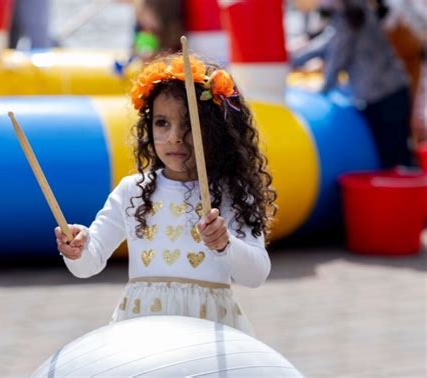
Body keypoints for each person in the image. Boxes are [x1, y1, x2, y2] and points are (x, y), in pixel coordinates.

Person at [55, 53, 277, 335]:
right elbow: (89, 264)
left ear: (215, 131)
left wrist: (225, 244)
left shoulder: (233, 193)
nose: (174, 137)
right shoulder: (132, 190)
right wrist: (77, 249)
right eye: (162, 123)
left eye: (188, 124)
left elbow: (256, 275)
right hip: (143, 331)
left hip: (209, 332)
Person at [291, 0, 413, 169]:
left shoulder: (353, 14)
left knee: (394, 157)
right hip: (387, 92)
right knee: (390, 154)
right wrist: (294, 58)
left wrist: (323, 89)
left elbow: (339, 55)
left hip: (384, 94)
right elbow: (329, 43)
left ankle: (404, 193)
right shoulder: (348, 14)